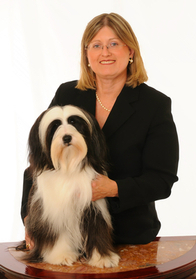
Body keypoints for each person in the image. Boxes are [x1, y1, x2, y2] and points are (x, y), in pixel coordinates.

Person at [21, 13, 179, 249]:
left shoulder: (154, 104)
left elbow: (161, 180)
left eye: (114, 44)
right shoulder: (67, 95)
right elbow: (39, 162)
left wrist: (113, 188)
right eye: (96, 45)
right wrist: (29, 220)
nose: (105, 53)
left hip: (128, 236)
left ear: (131, 52)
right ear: (87, 55)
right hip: (64, 238)